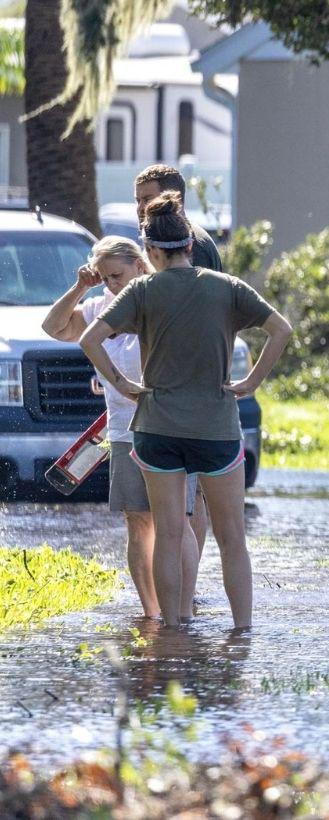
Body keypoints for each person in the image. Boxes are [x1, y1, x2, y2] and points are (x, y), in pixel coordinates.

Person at [80, 194, 292, 629]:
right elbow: (281, 330)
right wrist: (251, 382)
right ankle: (242, 632)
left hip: (156, 427)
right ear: (190, 246)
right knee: (233, 539)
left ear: (152, 252)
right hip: (216, 429)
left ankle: (173, 629)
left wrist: (123, 386)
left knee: (170, 535)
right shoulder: (227, 287)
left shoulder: (141, 290)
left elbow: (90, 339)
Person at [41, 237, 201, 620]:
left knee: (174, 522)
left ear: (141, 265)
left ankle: (182, 609)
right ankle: (151, 613)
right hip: (123, 431)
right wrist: (81, 286)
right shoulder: (98, 308)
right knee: (137, 521)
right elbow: (53, 327)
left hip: (169, 428)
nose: (113, 284)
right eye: (106, 277)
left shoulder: (158, 301)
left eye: (118, 275)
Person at [133, 164, 221, 560]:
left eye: (147, 200)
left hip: (189, 382)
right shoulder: (164, 240)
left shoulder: (190, 245)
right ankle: (185, 579)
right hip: (178, 382)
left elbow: (195, 313)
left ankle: (188, 579)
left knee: (190, 497)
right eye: (137, 201)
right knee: (186, 494)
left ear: (174, 200)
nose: (140, 209)